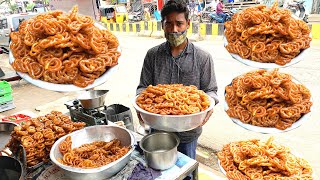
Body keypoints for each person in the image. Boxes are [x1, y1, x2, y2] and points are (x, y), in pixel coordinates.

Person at [136, 0, 219, 174]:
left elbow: (211, 90)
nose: (174, 30)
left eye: (179, 23)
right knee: (159, 172)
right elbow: (143, 87)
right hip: (158, 129)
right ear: (162, 25)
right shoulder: (152, 55)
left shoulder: (203, 58)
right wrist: (140, 105)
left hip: (189, 131)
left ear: (188, 24)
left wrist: (209, 104)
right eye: (169, 24)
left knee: (186, 172)